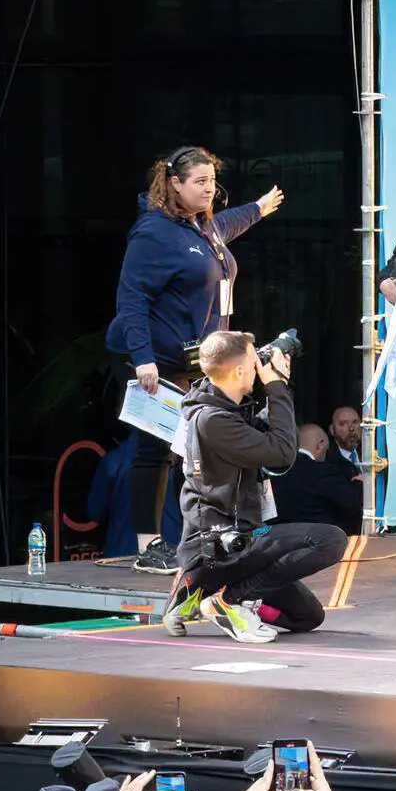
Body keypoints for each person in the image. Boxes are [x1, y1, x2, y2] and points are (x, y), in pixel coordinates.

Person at [111, 143, 282, 571]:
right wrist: (143, 358)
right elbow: (131, 297)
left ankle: (207, 535)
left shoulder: (201, 227)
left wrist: (258, 209)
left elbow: (227, 223)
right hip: (152, 359)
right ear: (174, 184)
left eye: (212, 181)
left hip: (192, 361)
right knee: (155, 447)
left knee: (195, 447)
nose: (209, 190)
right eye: (200, 182)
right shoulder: (153, 232)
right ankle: (149, 546)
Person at [163, 329, 348, 643]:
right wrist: (276, 384)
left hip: (238, 542)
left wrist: (278, 383)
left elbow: (270, 432)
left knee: (308, 617)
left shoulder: (222, 408)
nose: (257, 369)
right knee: (330, 540)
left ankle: (201, 593)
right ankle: (229, 600)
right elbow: (282, 454)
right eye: (253, 363)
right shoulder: (212, 420)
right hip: (221, 548)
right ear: (238, 371)